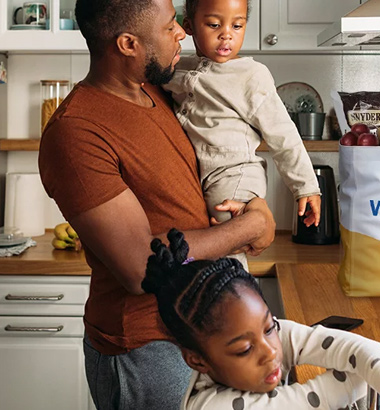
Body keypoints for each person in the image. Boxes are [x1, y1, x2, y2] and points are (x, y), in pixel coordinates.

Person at [38, 0, 275, 409]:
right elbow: (138, 266)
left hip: (201, 328)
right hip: (147, 344)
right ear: (128, 43)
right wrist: (249, 228)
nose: (183, 32)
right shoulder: (76, 133)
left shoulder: (156, 91)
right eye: (169, 27)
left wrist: (256, 202)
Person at [143, 228, 380, 410]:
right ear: (197, 361)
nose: (270, 351)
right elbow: (319, 397)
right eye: (244, 350)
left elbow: (352, 350)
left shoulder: (262, 338)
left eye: (269, 327)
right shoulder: (213, 406)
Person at [162, 0, 321, 268]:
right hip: (201, 172)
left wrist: (305, 187)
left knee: (229, 229)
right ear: (188, 26)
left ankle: (238, 293)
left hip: (235, 172)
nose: (227, 34)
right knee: (209, 236)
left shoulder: (252, 75)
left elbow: (283, 136)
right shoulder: (179, 66)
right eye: (214, 25)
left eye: (237, 25)